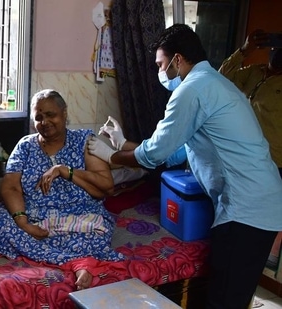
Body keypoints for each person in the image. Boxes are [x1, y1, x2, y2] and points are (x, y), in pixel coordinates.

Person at [87, 24, 282, 309]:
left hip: (248, 209)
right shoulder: (211, 83)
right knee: (231, 294)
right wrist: (122, 143)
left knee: (225, 300)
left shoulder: (193, 90)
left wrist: (110, 156)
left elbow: (154, 154)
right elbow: (176, 153)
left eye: (160, 64)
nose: (159, 73)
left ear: (178, 59)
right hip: (258, 202)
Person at [0, 89, 124, 291]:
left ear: (64, 113)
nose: (45, 122)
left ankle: (74, 262)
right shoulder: (25, 146)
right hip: (34, 214)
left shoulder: (84, 140)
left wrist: (67, 171)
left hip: (78, 215)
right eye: (39, 117)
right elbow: (10, 187)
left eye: (50, 115)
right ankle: (78, 260)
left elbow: (106, 186)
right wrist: (24, 223)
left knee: (98, 230)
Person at [219, 29, 282, 177]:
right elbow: (221, 78)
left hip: (273, 163)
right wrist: (245, 50)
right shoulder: (255, 72)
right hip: (244, 155)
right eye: (276, 45)